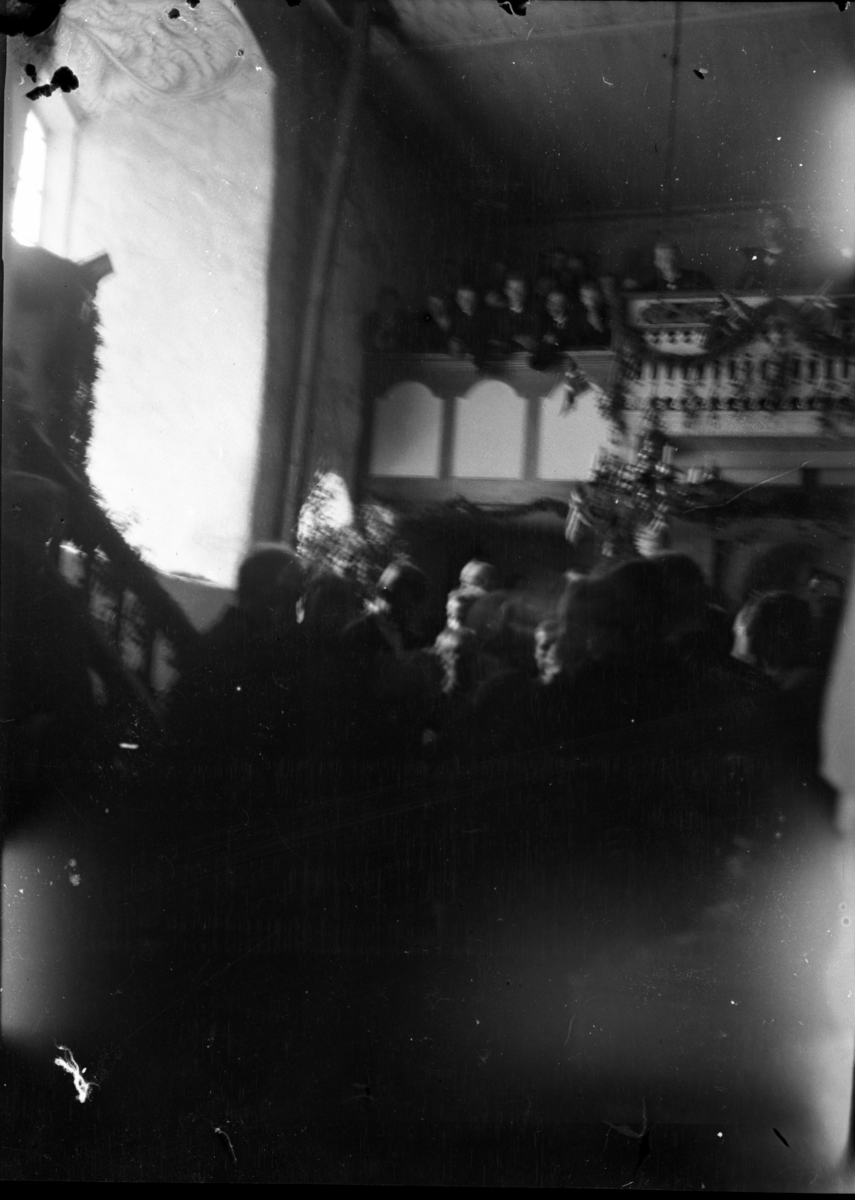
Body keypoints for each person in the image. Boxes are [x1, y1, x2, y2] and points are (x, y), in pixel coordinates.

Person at [166, 543, 307, 761]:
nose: (298, 602)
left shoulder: (239, 640)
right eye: (292, 591)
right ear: (264, 590)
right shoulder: (239, 650)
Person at [732, 590, 827, 768]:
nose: (734, 648)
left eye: (737, 634)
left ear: (755, 635)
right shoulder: (809, 680)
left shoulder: (789, 690)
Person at [735, 207, 805, 292]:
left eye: (776, 226)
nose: (770, 230)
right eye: (767, 226)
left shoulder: (796, 257)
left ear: (785, 228)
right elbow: (740, 288)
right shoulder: (754, 257)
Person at [627, 241, 713, 293]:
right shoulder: (652, 285)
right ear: (656, 263)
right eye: (661, 258)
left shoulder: (698, 278)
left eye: (671, 257)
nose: (667, 262)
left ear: (679, 259)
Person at [492, 272, 537, 353]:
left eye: (520, 289)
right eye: (512, 289)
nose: (516, 293)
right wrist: (515, 338)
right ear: (505, 291)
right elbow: (494, 338)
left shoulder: (534, 313)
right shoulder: (498, 315)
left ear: (525, 291)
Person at [362, 287, 409, 352]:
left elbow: (408, 344)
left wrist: (394, 344)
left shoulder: (405, 320)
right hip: (376, 359)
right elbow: (365, 344)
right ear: (378, 302)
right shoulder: (370, 320)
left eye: (390, 301)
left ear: (396, 303)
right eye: (383, 301)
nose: (387, 305)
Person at [569, 280, 612, 347]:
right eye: (584, 296)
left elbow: (605, 337)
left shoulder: (607, 310)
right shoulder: (577, 311)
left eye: (592, 297)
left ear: (599, 296)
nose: (587, 301)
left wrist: (594, 311)